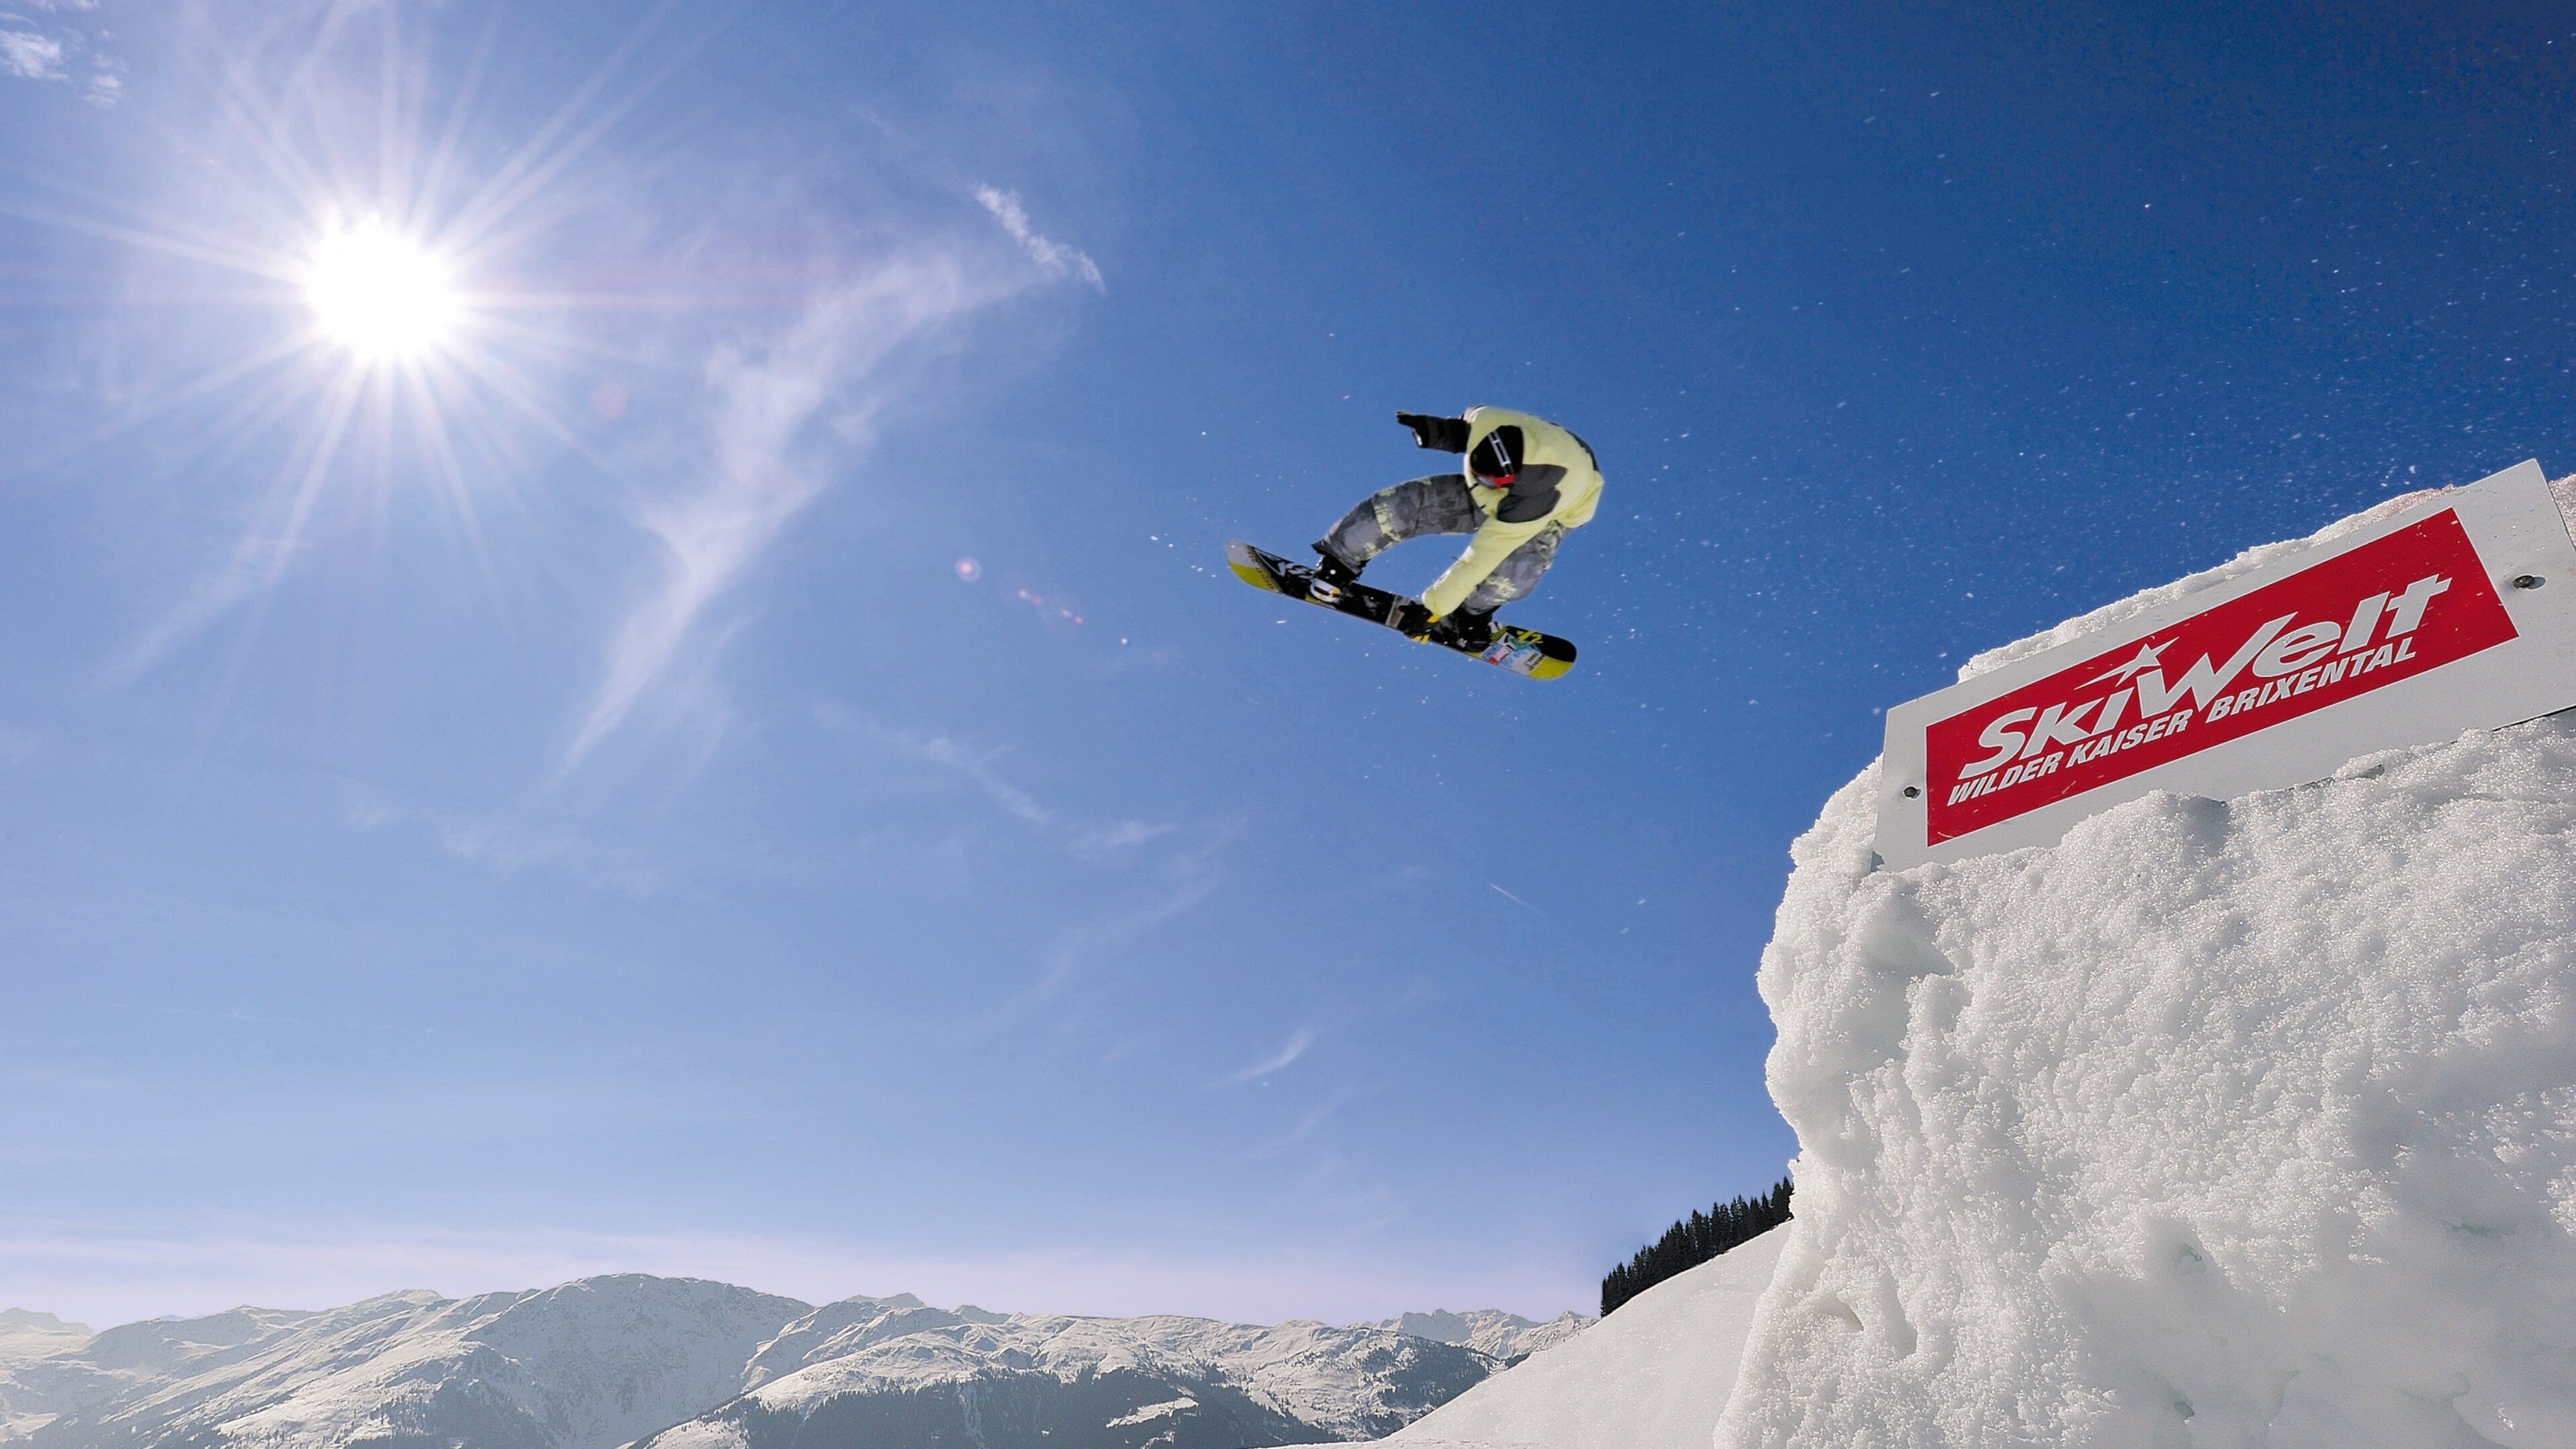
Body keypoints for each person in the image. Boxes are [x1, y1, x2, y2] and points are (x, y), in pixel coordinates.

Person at [1312, 406, 1603, 649]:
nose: (1480, 477)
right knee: (1408, 503)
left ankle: (1472, 615)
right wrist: (1432, 430)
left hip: (1552, 511)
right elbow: (1463, 432)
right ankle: (1341, 559)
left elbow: (1478, 559)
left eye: (1489, 478)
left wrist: (1434, 609)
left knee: (1518, 567)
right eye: (1476, 466)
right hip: (1518, 472)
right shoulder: (1487, 420)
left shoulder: (1538, 502)